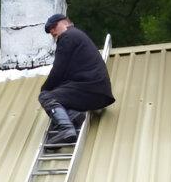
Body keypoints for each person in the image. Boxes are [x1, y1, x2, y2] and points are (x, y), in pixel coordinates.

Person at [38, 14, 115, 145]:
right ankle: (74, 115)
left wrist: (44, 90)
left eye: (54, 27)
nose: (52, 31)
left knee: (46, 97)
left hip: (89, 87)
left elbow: (58, 70)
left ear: (65, 23)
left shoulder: (67, 36)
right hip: (97, 92)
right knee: (60, 92)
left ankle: (66, 129)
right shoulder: (78, 36)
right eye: (50, 30)